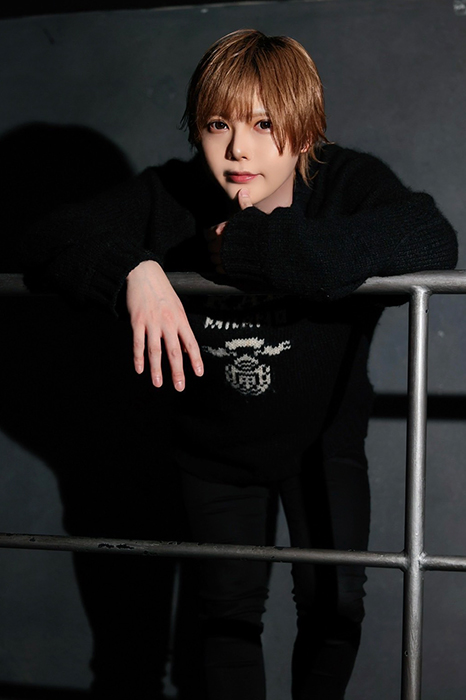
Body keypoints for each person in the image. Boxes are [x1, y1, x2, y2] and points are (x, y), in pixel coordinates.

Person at [22, 29, 457, 700]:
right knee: (226, 616)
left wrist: (264, 251)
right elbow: (47, 235)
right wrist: (131, 268)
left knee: (336, 606)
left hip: (323, 444)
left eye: (264, 124)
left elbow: (431, 237)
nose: (238, 150)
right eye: (218, 124)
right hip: (215, 453)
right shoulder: (173, 193)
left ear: (305, 131)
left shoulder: (345, 181)